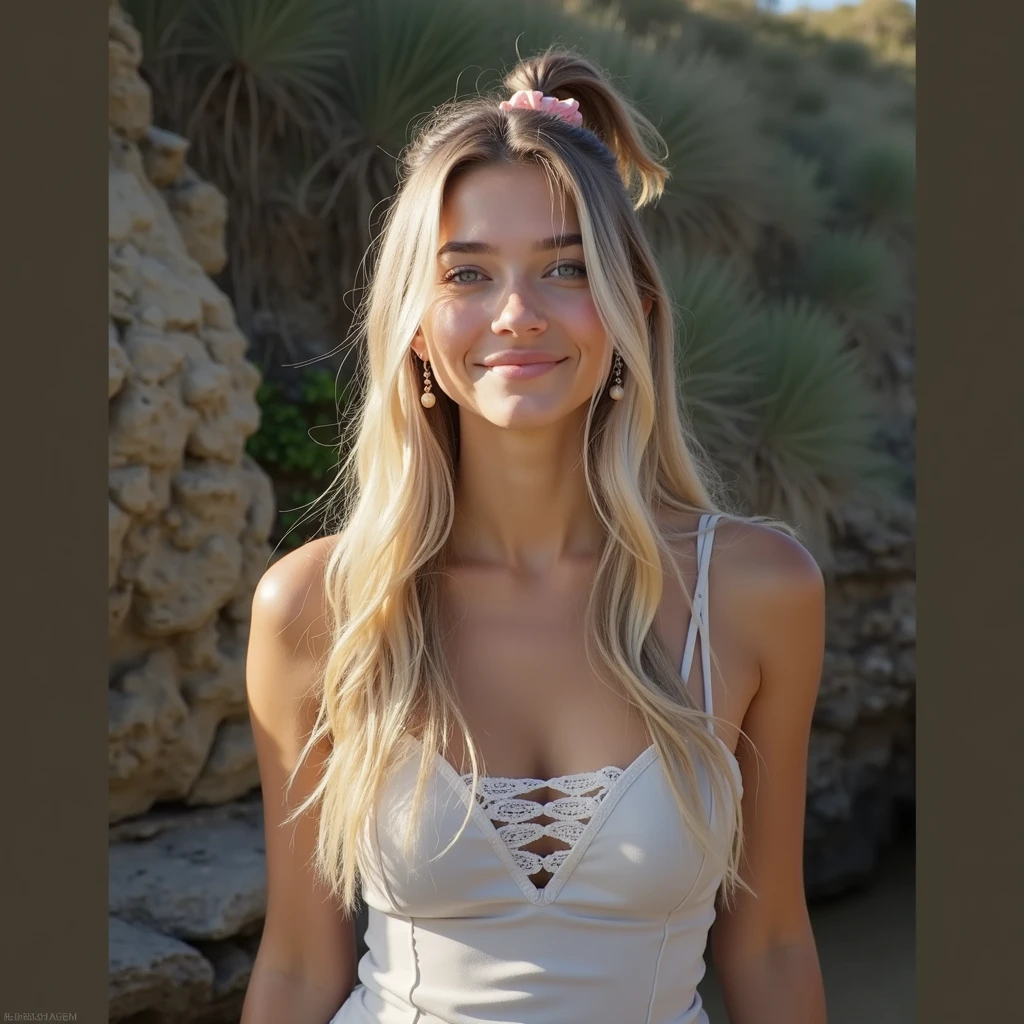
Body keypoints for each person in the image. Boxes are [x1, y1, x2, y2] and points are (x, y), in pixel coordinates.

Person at [241, 49, 828, 1024]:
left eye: (565, 268)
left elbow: (767, 942)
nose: (516, 314)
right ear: (419, 329)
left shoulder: (756, 589)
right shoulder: (316, 608)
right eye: (467, 272)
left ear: (631, 312)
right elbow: (301, 964)